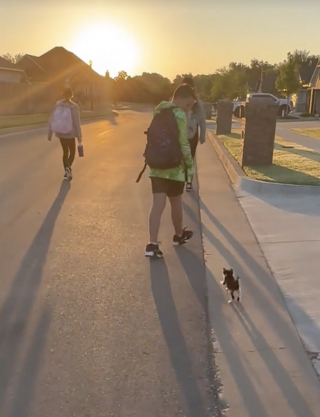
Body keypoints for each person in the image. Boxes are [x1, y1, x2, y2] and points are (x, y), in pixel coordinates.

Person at [145, 84, 195, 258]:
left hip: (156, 166)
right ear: (180, 98)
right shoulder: (179, 114)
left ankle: (152, 244)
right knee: (175, 203)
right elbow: (183, 142)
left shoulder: (159, 110)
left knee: (157, 206)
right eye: (188, 105)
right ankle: (178, 235)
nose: (189, 109)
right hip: (174, 168)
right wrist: (190, 165)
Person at [48, 87, 82, 180]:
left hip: (61, 134)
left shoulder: (58, 104)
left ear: (62, 94)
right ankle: (68, 169)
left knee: (65, 152)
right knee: (72, 152)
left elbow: (52, 118)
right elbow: (77, 122)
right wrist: (79, 136)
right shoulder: (74, 107)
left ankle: (67, 170)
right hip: (70, 134)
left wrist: (50, 132)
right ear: (72, 95)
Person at [182, 76, 206, 191]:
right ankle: (180, 179)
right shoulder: (177, 99)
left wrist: (202, 135)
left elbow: (202, 119)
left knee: (190, 158)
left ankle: (189, 181)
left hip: (192, 134)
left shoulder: (197, 102)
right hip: (180, 134)